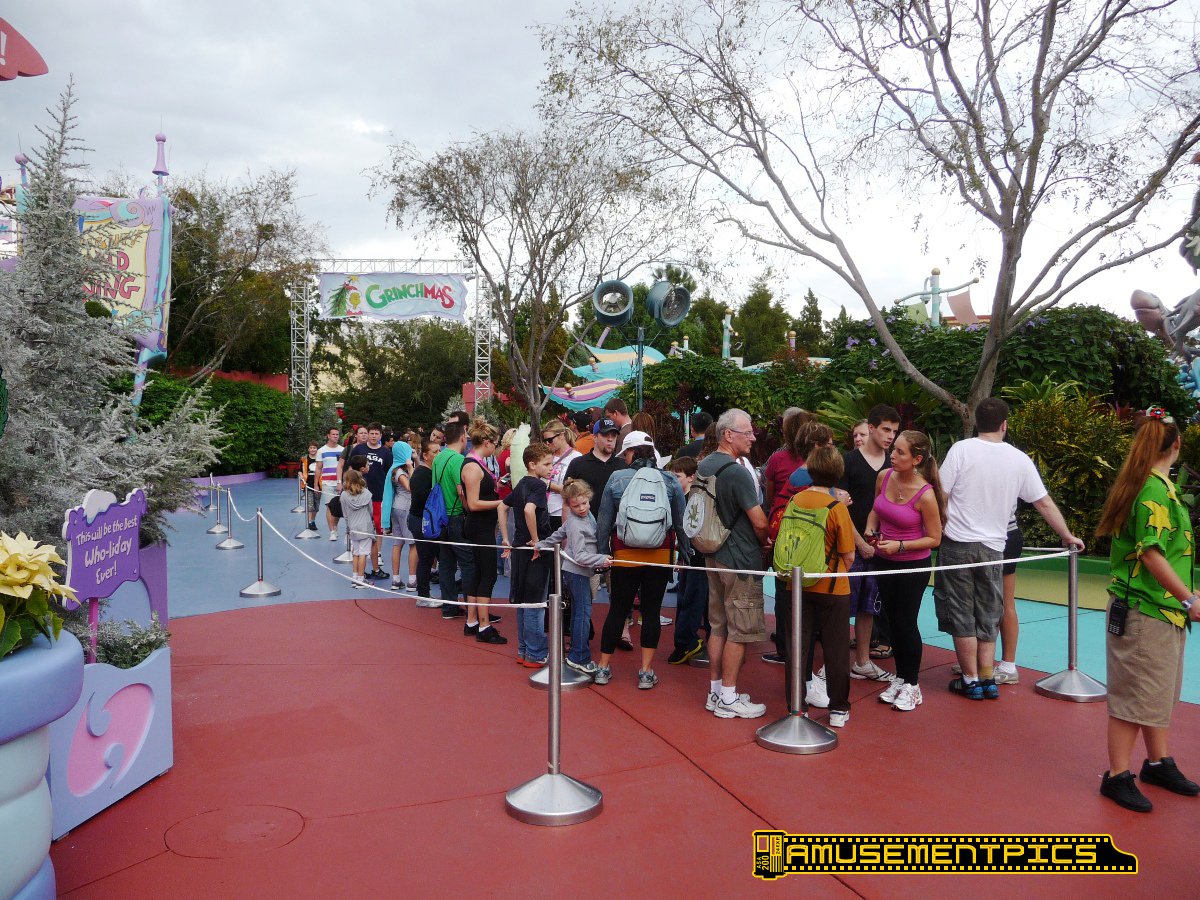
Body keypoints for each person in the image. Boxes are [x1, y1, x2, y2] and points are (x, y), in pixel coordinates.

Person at [934, 398, 1083, 699]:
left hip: (957, 544)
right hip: (994, 547)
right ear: (1004, 425)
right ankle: (987, 678)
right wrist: (1067, 535)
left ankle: (971, 680)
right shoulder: (1019, 459)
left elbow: (941, 493)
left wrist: (935, 527)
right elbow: (1043, 502)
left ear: (977, 422)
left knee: (962, 613)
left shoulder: (961, 450)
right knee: (990, 612)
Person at [1093, 408, 1200, 811]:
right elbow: (1151, 553)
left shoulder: (1157, 486)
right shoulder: (1153, 490)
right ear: (1177, 444)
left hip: (1161, 609)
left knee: (1157, 693)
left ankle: (1157, 762)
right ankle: (1117, 776)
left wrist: (1184, 593)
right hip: (1145, 612)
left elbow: (1168, 552)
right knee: (1133, 697)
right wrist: (1189, 599)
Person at [594, 431, 691, 689]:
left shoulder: (617, 478)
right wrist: (685, 553)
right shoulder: (669, 480)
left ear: (631, 454)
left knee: (617, 610)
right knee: (651, 613)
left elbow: (604, 521)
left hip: (624, 554)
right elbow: (680, 523)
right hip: (659, 555)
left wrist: (601, 553)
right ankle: (646, 672)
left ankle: (603, 667)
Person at [864, 430, 945, 712]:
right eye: (893, 450)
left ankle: (912, 684)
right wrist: (870, 528)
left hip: (912, 566)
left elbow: (934, 538)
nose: (893, 455)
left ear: (917, 459)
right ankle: (900, 677)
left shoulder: (926, 494)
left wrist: (900, 545)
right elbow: (876, 509)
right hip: (883, 561)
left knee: (906, 622)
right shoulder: (883, 477)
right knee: (891, 622)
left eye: (900, 452)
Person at [698, 409, 770, 719]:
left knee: (717, 626)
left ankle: (716, 692)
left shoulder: (704, 465)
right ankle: (728, 698)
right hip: (739, 558)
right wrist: (765, 540)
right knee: (740, 630)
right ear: (728, 435)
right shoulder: (738, 472)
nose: (753, 437)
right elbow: (759, 521)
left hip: (712, 553)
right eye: (747, 432)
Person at [776, 446, 856, 726]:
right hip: (832, 587)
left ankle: (796, 706)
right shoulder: (837, 508)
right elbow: (849, 554)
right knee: (836, 650)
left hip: (796, 585)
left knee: (797, 649)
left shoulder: (795, 500)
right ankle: (838, 709)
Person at [841, 404, 901, 680]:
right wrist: (859, 542)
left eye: (895, 431)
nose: (890, 436)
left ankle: (862, 661)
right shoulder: (848, 462)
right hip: (849, 547)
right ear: (872, 428)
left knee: (869, 606)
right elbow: (838, 507)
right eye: (886, 430)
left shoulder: (895, 463)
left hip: (883, 548)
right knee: (841, 605)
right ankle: (834, 662)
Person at [538, 479, 613, 675]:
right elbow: (579, 556)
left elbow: (559, 533)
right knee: (583, 613)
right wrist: (601, 559)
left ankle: (576, 652)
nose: (581, 508)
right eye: (576, 506)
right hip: (577, 571)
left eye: (584, 503)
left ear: (589, 498)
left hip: (577, 572)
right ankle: (579, 657)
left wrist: (541, 544)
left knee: (580, 612)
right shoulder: (576, 523)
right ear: (568, 505)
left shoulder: (583, 516)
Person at [502, 443, 555, 667]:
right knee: (535, 602)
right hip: (534, 550)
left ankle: (524, 650)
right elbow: (528, 510)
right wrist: (536, 540)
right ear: (532, 465)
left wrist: (506, 537)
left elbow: (502, 507)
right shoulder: (538, 486)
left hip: (518, 547)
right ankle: (535, 653)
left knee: (523, 600)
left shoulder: (521, 483)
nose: (551, 468)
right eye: (547, 464)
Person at [461, 419, 506, 644]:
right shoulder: (472, 466)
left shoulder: (478, 464)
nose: (496, 448)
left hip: (483, 526)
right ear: (487, 442)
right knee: (487, 574)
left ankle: (473, 621)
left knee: (479, 573)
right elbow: (473, 503)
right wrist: (502, 502)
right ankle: (484, 625)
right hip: (479, 527)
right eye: (496, 444)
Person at [666, 455, 708, 665]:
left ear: (691, 477)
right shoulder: (682, 497)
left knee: (692, 598)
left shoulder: (693, 499)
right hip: (689, 556)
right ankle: (686, 641)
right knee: (686, 598)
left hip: (696, 557)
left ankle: (686, 642)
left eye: (677, 476)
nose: (673, 481)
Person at [433, 421, 473, 620]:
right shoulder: (458, 460)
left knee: (446, 564)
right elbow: (461, 490)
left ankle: (449, 606)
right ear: (463, 437)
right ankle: (472, 609)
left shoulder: (438, 457)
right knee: (468, 563)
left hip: (440, 517)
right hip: (456, 515)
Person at [350, 423, 393, 580]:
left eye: (377, 433)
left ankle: (377, 554)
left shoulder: (386, 452)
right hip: (359, 496)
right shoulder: (358, 449)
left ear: (380, 435)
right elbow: (350, 469)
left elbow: (390, 472)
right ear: (367, 434)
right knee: (361, 528)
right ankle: (360, 561)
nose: (374, 436)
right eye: (371, 433)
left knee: (378, 528)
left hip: (379, 495)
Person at [408, 439, 441, 608]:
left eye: (439, 451)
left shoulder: (430, 472)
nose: (438, 455)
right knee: (426, 557)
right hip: (420, 521)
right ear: (426, 456)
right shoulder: (422, 473)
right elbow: (421, 497)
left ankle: (425, 593)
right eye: (435, 452)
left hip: (425, 520)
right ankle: (423, 595)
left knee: (429, 556)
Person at [382, 438, 416, 592]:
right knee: (413, 544)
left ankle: (396, 579)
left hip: (396, 508)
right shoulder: (400, 472)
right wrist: (410, 467)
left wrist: (415, 461)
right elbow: (412, 487)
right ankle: (412, 580)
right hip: (405, 509)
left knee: (398, 543)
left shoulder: (394, 469)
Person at [762, 408, 809, 509]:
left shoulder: (777, 458)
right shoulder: (819, 458)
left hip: (783, 513)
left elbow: (769, 498)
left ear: (785, 432)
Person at [542, 420, 581, 529]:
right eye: (544, 440)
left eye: (550, 440)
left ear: (561, 435)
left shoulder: (576, 458)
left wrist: (548, 485)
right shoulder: (546, 456)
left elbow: (574, 490)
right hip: (544, 510)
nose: (547, 443)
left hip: (562, 511)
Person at [340, 469, 374, 590]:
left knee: (355, 553)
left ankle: (355, 578)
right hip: (365, 527)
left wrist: (348, 526)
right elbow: (371, 511)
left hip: (353, 527)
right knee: (363, 553)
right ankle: (360, 579)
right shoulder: (367, 494)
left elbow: (345, 514)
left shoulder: (344, 495)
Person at [318, 427, 345, 540]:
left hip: (340, 483)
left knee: (337, 507)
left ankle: (335, 526)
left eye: (337, 434)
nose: (335, 436)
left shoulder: (343, 450)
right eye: (333, 434)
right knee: (329, 506)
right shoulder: (321, 450)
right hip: (327, 483)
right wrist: (316, 484)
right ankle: (332, 531)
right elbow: (318, 468)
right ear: (328, 436)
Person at [300, 440, 321, 531]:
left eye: (314, 448)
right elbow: (300, 470)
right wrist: (302, 477)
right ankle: (309, 522)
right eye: (311, 448)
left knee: (316, 505)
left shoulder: (320, 459)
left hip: (319, 485)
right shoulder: (304, 459)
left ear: (317, 449)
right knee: (310, 505)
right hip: (308, 484)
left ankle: (313, 520)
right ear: (308, 449)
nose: (312, 449)